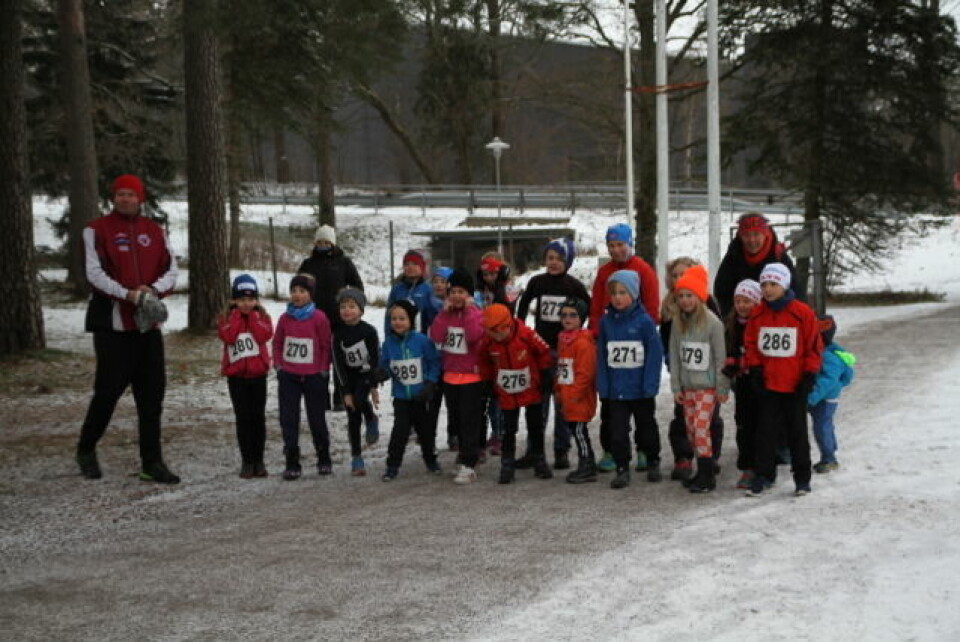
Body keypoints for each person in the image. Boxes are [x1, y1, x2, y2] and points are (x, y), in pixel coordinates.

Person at [76, 174, 180, 484]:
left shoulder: (154, 230)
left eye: (131, 195)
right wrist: (128, 294)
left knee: (152, 396)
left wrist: (152, 290)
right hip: (112, 326)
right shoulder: (95, 230)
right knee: (108, 392)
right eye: (120, 194)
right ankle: (86, 448)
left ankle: (152, 461)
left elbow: (172, 269)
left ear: (140, 199)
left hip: (147, 326)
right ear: (113, 197)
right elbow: (94, 274)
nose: (126, 199)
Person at [743, 263, 821, 497]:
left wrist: (809, 374)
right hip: (768, 384)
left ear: (784, 285)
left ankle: (802, 479)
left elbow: (813, 347)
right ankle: (764, 475)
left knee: (797, 433)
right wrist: (755, 369)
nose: (767, 289)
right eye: (764, 284)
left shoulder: (802, 312)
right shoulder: (757, 314)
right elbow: (751, 344)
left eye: (773, 284)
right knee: (764, 433)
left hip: (795, 385)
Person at [589, 223, 660, 475]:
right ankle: (611, 451)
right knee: (611, 411)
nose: (616, 250)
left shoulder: (643, 270)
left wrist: (645, 327)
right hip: (611, 335)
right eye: (611, 246)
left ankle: (644, 451)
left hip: (636, 334)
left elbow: (652, 306)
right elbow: (597, 305)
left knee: (643, 413)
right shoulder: (604, 272)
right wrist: (596, 332)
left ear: (629, 244)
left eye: (620, 245)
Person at [515, 238, 590, 471]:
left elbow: (588, 306)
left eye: (559, 259)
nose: (554, 263)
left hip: (565, 352)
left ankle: (561, 450)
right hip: (540, 350)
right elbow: (524, 303)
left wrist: (575, 332)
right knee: (538, 403)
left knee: (561, 402)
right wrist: (522, 329)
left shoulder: (573, 286)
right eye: (550, 258)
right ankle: (534, 450)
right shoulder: (537, 282)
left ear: (567, 261)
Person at [659, 257, 725, 481]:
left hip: (707, 386)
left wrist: (722, 387)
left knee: (701, 427)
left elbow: (720, 357)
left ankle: (707, 472)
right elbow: (675, 355)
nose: (685, 300)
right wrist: (676, 385)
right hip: (687, 386)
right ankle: (700, 469)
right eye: (681, 296)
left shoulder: (713, 322)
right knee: (690, 428)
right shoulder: (677, 321)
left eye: (690, 295)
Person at [596, 270, 663, 489]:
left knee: (646, 428)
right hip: (616, 390)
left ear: (633, 294)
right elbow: (602, 356)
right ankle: (622, 467)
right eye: (613, 293)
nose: (617, 297)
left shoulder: (644, 322)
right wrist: (603, 385)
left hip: (640, 389)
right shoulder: (606, 323)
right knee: (617, 431)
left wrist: (650, 384)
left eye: (622, 292)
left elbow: (654, 355)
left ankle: (653, 460)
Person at [478, 303, 554, 484]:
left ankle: (539, 460)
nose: (495, 336)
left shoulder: (526, 334)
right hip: (506, 393)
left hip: (531, 389)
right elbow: (484, 362)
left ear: (507, 325)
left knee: (535, 426)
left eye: (497, 331)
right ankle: (507, 463)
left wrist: (545, 376)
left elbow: (543, 352)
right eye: (490, 331)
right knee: (508, 429)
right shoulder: (488, 342)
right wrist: (487, 382)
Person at [273, 273, 333, 480]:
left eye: (302, 291)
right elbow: (278, 343)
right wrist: (279, 366)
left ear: (310, 294)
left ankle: (323, 456)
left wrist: (324, 369)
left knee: (316, 418)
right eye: (294, 291)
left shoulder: (319, 318)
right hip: (289, 376)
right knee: (288, 419)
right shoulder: (284, 318)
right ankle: (292, 460)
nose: (297, 295)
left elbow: (326, 345)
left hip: (314, 376)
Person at [297, 224, 363, 411]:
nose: (323, 244)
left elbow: (357, 286)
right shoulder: (308, 264)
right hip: (315, 320)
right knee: (319, 359)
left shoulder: (344, 263)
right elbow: (299, 287)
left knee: (339, 359)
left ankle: (340, 397)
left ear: (333, 243)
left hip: (339, 319)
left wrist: (351, 304)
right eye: (320, 241)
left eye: (326, 241)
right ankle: (320, 397)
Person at [428, 268, 486, 484]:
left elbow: (472, 336)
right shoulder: (445, 315)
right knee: (457, 420)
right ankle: (464, 456)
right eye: (453, 291)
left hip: (471, 377)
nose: (457, 296)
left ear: (469, 295)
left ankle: (470, 463)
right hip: (451, 375)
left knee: (469, 421)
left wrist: (470, 311)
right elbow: (435, 335)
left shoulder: (477, 314)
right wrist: (444, 313)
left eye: (462, 292)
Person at [377, 300, 442, 481]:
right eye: (394, 319)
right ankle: (392, 466)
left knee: (425, 432)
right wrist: (381, 374)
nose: (397, 322)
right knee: (400, 431)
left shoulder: (422, 341)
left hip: (421, 397)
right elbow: (386, 365)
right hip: (401, 398)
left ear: (411, 321)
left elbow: (434, 363)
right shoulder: (388, 344)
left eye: (402, 318)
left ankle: (430, 460)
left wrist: (430, 384)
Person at [217, 274, 274, 479]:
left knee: (258, 418)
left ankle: (259, 460)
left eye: (250, 300)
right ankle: (247, 461)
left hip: (258, 375)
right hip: (237, 377)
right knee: (243, 418)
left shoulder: (262, 317)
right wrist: (235, 316)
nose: (246, 304)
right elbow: (228, 337)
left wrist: (252, 317)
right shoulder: (226, 318)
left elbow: (263, 336)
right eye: (241, 300)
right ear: (234, 300)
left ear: (256, 300)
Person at [713, 212, 806, 318]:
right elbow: (722, 290)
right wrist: (733, 315)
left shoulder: (778, 256)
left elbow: (796, 291)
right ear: (740, 237)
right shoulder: (734, 255)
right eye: (746, 235)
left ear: (765, 234)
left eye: (756, 234)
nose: (752, 240)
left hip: (774, 319)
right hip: (742, 318)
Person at [332, 287, 380, 477]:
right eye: (343, 306)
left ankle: (370, 418)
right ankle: (356, 457)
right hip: (347, 377)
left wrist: (374, 385)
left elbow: (375, 358)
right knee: (352, 413)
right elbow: (337, 364)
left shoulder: (369, 331)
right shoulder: (337, 333)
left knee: (360, 400)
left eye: (352, 306)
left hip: (365, 374)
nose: (347, 310)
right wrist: (344, 392)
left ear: (361, 310)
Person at [722, 279, 763, 489]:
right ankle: (747, 466)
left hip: (762, 381)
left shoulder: (763, 323)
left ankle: (763, 465)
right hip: (743, 383)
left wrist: (743, 361)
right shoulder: (731, 324)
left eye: (747, 301)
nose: (742, 305)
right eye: (738, 301)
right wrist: (731, 363)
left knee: (762, 423)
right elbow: (728, 349)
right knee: (743, 424)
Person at [554, 298, 599, 484]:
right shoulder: (563, 340)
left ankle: (587, 464)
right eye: (564, 315)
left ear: (581, 318)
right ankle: (586, 463)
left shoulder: (582, 343)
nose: (567, 319)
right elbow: (561, 368)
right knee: (576, 430)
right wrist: (558, 389)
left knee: (580, 432)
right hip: (567, 396)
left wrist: (573, 396)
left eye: (573, 315)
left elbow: (584, 375)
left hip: (578, 398)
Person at [808, 315, 856, 474]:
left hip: (825, 399)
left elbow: (828, 381)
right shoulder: (824, 352)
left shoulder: (828, 356)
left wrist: (811, 397)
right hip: (820, 397)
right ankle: (829, 455)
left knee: (822, 427)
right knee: (823, 426)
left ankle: (829, 458)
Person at [428, 267, 457, 450]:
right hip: (433, 358)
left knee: (453, 402)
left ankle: (453, 435)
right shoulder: (427, 305)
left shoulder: (456, 304)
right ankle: (429, 437)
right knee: (432, 402)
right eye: (435, 281)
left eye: (442, 281)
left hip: (451, 359)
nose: (438, 285)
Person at [385, 249, 437, 334]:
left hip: (420, 339)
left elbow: (434, 317)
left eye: (415, 264)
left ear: (422, 267)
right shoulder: (397, 289)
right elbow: (388, 317)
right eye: (407, 264)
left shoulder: (428, 290)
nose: (410, 267)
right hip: (398, 339)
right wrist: (388, 337)